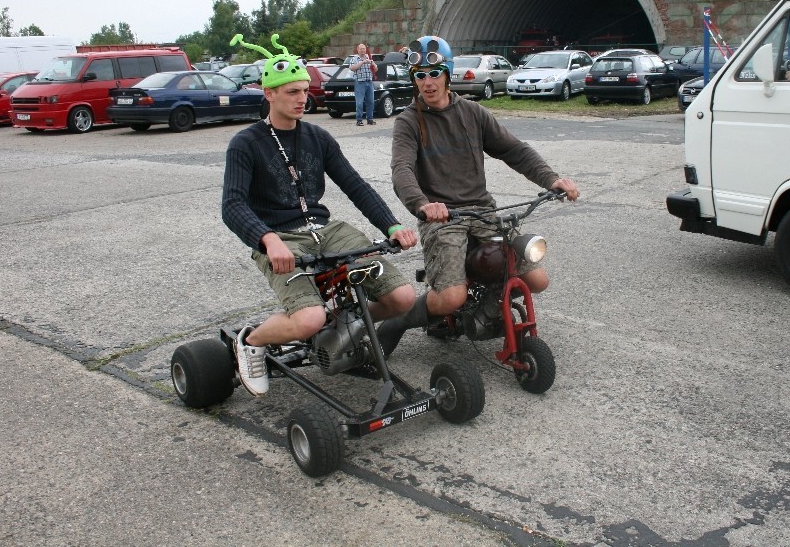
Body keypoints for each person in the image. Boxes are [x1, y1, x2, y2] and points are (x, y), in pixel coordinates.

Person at [222, 33, 418, 396]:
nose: (302, 98)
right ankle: (250, 341)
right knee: (309, 318)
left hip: (326, 229)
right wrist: (268, 240)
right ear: (269, 94)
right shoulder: (245, 144)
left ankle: (342, 321)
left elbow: (354, 184)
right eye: (292, 92)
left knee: (402, 297)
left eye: (303, 90)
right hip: (280, 237)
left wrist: (391, 225)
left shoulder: (317, 137)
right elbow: (232, 205)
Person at [378, 35, 580, 357]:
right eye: (420, 75)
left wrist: (552, 179)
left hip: (483, 211)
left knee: (537, 279)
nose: (428, 83)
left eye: (434, 74)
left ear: (447, 74)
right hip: (442, 218)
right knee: (451, 297)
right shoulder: (409, 121)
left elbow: (514, 150)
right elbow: (401, 169)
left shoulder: (473, 112)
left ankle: (483, 310)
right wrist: (422, 204)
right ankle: (399, 321)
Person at [349, 43, 378, 126]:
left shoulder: (369, 57)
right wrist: (362, 62)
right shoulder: (354, 59)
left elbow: (376, 69)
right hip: (360, 83)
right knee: (359, 103)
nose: (363, 50)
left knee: (370, 102)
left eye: (364, 49)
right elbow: (352, 68)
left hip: (369, 82)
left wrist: (373, 63)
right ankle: (359, 120)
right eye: (361, 49)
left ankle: (370, 119)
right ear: (357, 50)